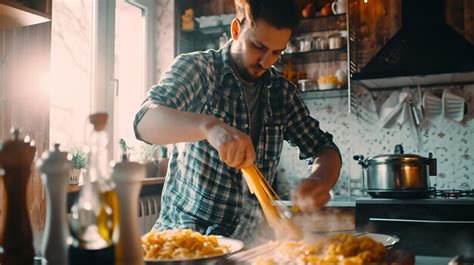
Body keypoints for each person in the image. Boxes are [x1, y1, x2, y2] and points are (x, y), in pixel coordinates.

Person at [134, 0, 342, 243]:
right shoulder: (199, 69)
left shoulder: (281, 93)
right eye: (258, 46)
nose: (267, 62)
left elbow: (324, 149)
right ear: (235, 30)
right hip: (185, 241)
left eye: (277, 52)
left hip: (248, 245)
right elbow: (144, 122)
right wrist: (209, 127)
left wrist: (319, 180)